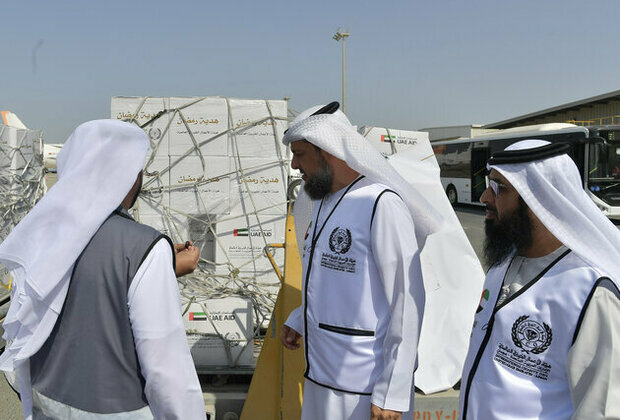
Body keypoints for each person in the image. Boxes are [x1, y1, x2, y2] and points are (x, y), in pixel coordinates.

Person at [0, 120, 206, 419]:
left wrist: (159, 263)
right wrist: (154, 261)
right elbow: (167, 369)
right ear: (127, 174)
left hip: (48, 401)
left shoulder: (43, 232)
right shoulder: (143, 246)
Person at [279, 102, 438, 420]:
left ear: (327, 149)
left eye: (300, 154)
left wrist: (392, 389)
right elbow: (329, 278)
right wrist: (300, 318)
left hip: (366, 389)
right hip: (319, 376)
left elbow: (407, 301)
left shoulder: (381, 203)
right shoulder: (320, 201)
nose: (295, 165)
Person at [459, 140, 620, 420]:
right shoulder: (503, 261)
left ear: (539, 198)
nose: (485, 197)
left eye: (499, 188)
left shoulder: (591, 292)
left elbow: (602, 411)